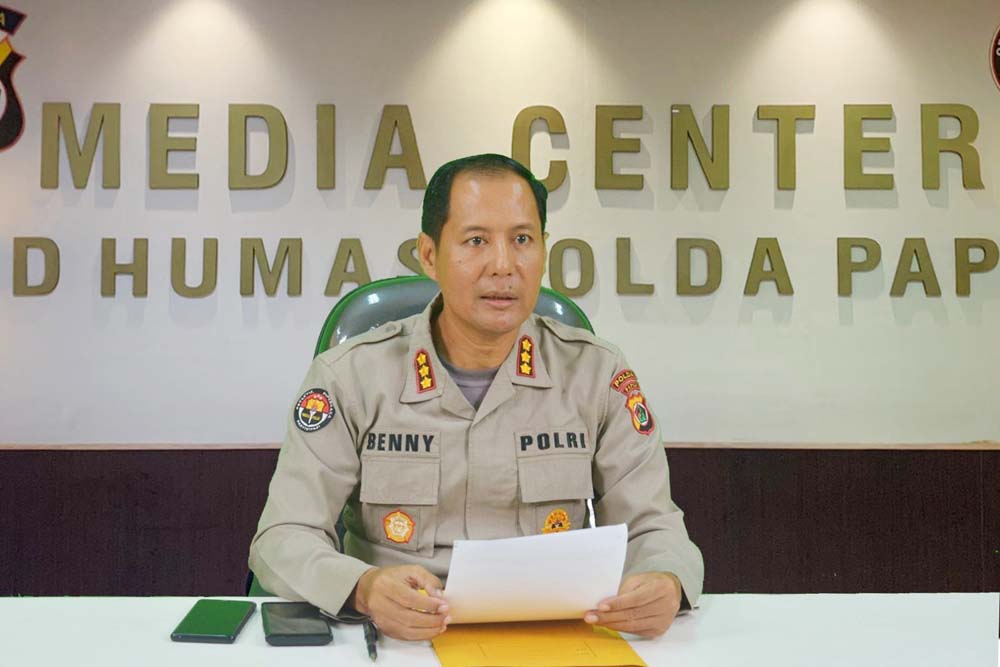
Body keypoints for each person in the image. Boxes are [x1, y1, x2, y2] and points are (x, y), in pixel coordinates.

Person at [249, 153, 704, 641]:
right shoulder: (351, 377)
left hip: (549, 636)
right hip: (400, 639)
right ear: (429, 255)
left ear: (544, 250)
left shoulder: (596, 373)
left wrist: (666, 581)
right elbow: (283, 537)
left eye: (522, 240)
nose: (503, 266)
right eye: (476, 241)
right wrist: (363, 589)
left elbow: (653, 525)